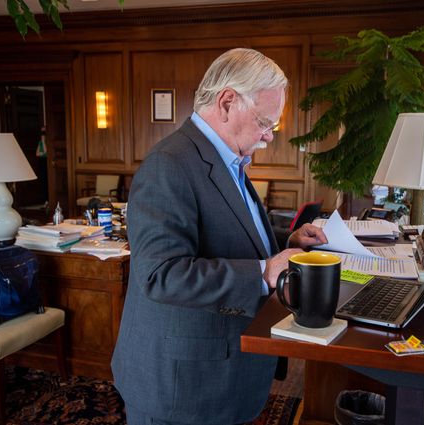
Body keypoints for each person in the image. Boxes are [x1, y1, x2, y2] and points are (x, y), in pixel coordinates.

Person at [111, 48, 327, 425]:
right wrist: (263, 273)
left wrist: (288, 242)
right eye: (265, 121)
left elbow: (229, 228)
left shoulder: (225, 157)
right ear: (227, 102)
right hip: (182, 387)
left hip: (217, 374)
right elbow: (161, 275)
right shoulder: (170, 164)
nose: (269, 136)